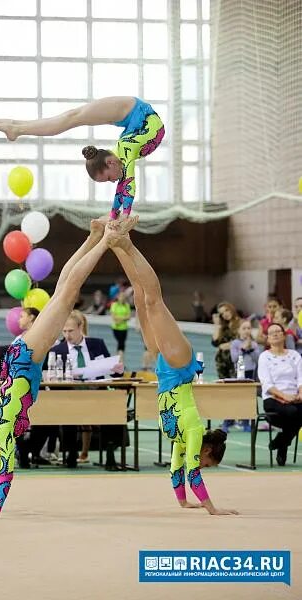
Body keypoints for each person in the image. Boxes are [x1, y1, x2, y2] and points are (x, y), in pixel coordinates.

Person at [0, 216, 116, 520]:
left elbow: (6, 473)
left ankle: (105, 239)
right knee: (63, 292)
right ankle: (94, 237)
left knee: (67, 294)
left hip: (24, 360)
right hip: (23, 362)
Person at [105, 219, 236, 515]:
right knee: (153, 302)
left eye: (205, 465)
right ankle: (127, 243)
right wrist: (212, 509)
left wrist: (182, 501)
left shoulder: (180, 438)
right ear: (207, 452)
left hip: (165, 371)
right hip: (180, 366)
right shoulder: (193, 430)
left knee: (140, 301)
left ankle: (116, 246)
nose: (202, 464)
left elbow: (177, 470)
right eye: (206, 462)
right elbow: (192, 472)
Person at [0, 96, 165, 220]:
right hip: (132, 111)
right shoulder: (126, 152)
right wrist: (124, 214)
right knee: (72, 117)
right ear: (110, 162)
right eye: (109, 178)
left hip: (132, 116)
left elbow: (122, 186)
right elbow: (128, 185)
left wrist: (113, 215)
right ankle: (16, 128)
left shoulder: (122, 155)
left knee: (71, 116)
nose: (113, 181)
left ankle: (15, 126)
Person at [45, 310, 124, 467]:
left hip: (96, 392)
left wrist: (118, 370)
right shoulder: (56, 351)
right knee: (68, 409)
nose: (67, 335)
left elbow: (110, 371)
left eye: (71, 331)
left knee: (116, 408)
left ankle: (110, 454)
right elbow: (50, 377)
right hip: (70, 394)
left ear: (80, 327)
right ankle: (71, 454)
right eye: (64, 331)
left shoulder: (97, 344)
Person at [258, 323, 302, 466]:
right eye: (272, 333)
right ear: (268, 339)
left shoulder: (295, 355)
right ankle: (282, 444)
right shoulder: (264, 357)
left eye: (278, 331)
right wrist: (284, 397)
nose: (276, 334)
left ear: (284, 335)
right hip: (273, 399)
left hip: (296, 397)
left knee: (297, 411)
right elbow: (266, 384)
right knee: (294, 412)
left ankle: (281, 441)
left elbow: (301, 377)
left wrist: (300, 393)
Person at [211, 302, 241, 380]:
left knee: (235, 385)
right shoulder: (223, 326)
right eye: (222, 313)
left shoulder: (241, 323)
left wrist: (228, 345)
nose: (225, 314)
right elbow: (215, 343)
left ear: (231, 309)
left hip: (235, 360)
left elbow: (243, 341)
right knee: (224, 387)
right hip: (221, 361)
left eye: (226, 310)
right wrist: (217, 325)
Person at [110, 290, 131, 362]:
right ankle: (120, 362)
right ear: (118, 297)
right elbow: (113, 317)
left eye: (123, 297)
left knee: (121, 345)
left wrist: (119, 319)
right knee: (120, 344)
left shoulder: (127, 305)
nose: (122, 298)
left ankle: (119, 361)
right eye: (121, 296)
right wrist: (123, 318)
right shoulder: (114, 305)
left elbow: (128, 317)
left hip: (124, 328)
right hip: (116, 328)